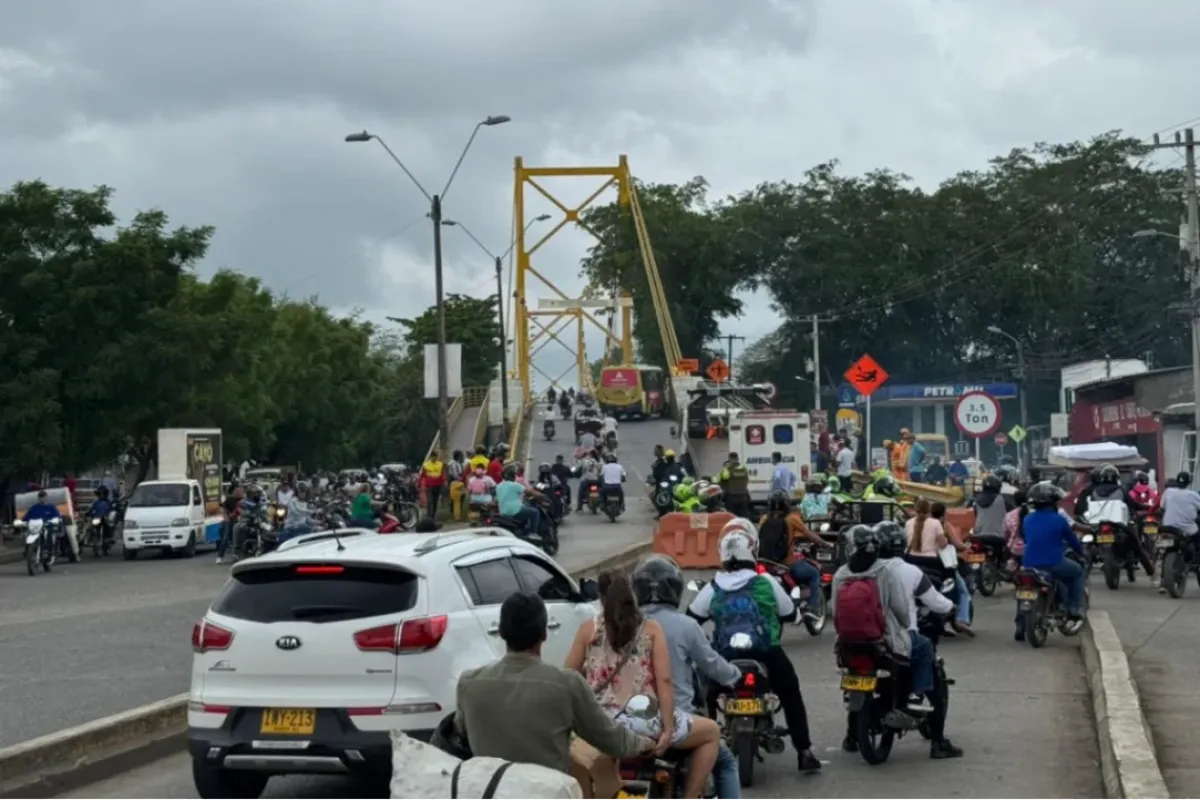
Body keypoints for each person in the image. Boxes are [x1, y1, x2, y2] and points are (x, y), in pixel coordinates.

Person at [455, 592, 654, 780]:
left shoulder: (469, 684)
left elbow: (459, 732)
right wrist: (643, 744)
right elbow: (609, 737)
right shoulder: (566, 684)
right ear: (544, 634)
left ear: (501, 632)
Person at [565, 572, 721, 800]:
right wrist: (667, 730)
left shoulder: (588, 630)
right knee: (711, 733)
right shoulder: (651, 629)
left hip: (599, 726)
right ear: (633, 595)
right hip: (645, 723)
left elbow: (568, 677)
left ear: (600, 597)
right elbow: (665, 682)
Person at [688, 523, 822, 773]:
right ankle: (804, 752)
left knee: (705, 695)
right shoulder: (765, 581)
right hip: (766, 652)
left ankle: (700, 752)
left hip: (725, 656)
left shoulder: (714, 586)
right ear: (752, 551)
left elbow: (692, 617)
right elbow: (789, 613)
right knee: (791, 694)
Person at [633, 556, 743, 799]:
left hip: (628, 722)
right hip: (674, 723)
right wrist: (735, 675)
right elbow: (712, 664)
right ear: (675, 589)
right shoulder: (685, 626)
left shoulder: (623, 625)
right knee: (725, 761)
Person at [869, 522, 963, 759]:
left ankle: (851, 735)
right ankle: (938, 742)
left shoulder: (865, 568)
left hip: (866, 637)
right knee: (933, 675)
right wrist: (952, 607)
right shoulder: (910, 571)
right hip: (900, 639)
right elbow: (934, 601)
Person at [1022, 480, 1086, 628]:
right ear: (1052, 503)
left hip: (1028, 563)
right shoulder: (1059, 520)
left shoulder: (1027, 519)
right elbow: (1073, 541)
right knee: (1077, 572)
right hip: (1053, 561)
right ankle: (1074, 610)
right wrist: (1081, 552)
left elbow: (1027, 538)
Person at [758, 491, 829, 621]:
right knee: (813, 573)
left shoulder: (764, 519)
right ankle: (813, 607)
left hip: (767, 565)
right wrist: (824, 543)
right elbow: (809, 534)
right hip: (788, 564)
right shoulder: (791, 518)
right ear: (786, 504)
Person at [1075, 463, 1154, 578]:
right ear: (1117, 477)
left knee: (1086, 544)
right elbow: (1133, 504)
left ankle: (1084, 572)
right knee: (1137, 545)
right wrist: (1146, 507)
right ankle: (1150, 570)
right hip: (1120, 525)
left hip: (1097, 524)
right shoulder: (1121, 489)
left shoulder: (1093, 491)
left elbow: (1083, 508)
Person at [929, 502, 974, 637]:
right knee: (963, 592)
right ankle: (962, 620)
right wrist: (965, 546)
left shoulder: (923, 525)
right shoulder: (943, 526)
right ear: (944, 514)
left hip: (927, 563)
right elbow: (955, 544)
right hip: (945, 565)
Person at [1154, 471, 1200, 593]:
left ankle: (1161, 581)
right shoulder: (1194, 495)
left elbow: (1162, 507)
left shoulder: (1168, 492)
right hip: (1187, 529)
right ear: (1189, 482)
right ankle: (1196, 564)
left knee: (1162, 552)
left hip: (1168, 528)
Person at [496, 465, 543, 537]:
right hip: (515, 510)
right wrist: (541, 495)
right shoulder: (515, 485)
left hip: (503, 512)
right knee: (535, 512)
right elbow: (530, 492)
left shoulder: (498, 486)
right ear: (513, 476)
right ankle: (533, 533)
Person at [217, 482, 244, 564]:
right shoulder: (230, 499)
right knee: (226, 537)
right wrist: (226, 517)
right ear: (234, 491)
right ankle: (220, 556)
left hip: (242, 521)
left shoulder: (244, 500)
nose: (240, 491)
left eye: (241, 490)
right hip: (231, 520)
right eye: (238, 490)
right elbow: (222, 508)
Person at [419, 450, 447, 519]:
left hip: (438, 485)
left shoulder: (440, 464)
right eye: (433, 457)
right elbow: (422, 475)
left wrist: (445, 481)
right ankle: (429, 515)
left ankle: (433, 515)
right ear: (431, 457)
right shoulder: (426, 465)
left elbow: (443, 474)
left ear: (437, 457)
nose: (434, 458)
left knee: (435, 501)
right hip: (429, 485)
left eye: (435, 457)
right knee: (430, 501)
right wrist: (419, 483)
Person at [447, 450, 467, 521]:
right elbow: (455, 474)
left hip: (452, 483)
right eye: (462, 456)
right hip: (456, 483)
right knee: (458, 499)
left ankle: (454, 514)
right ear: (459, 457)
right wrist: (460, 479)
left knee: (454, 499)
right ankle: (456, 515)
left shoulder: (450, 463)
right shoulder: (456, 464)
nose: (463, 458)